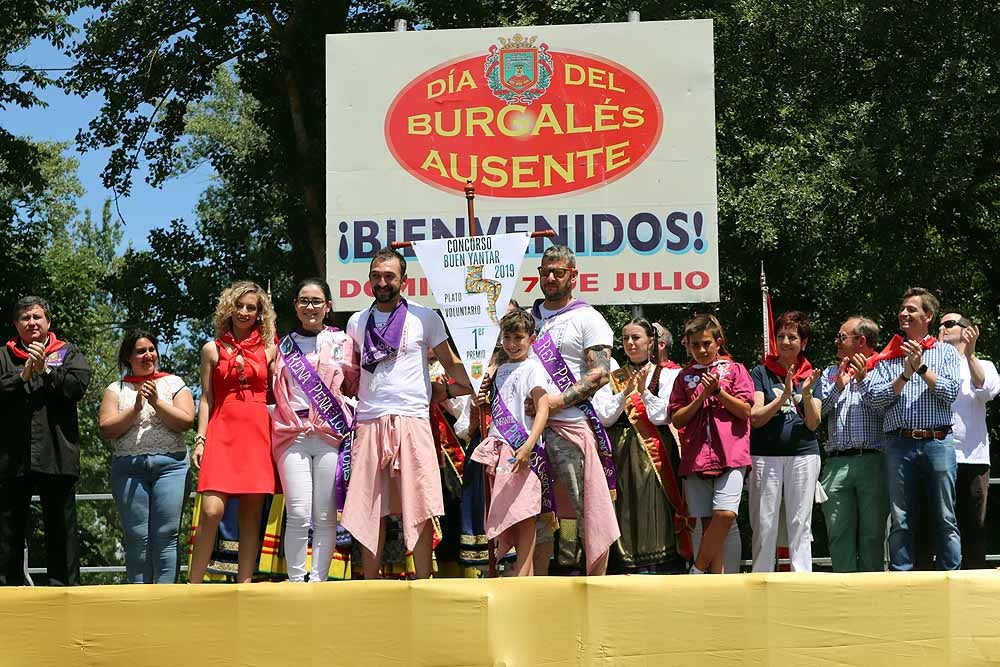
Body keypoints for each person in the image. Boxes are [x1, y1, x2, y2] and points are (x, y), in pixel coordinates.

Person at [342, 248, 472, 579]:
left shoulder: (424, 317)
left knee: (420, 505)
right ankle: (370, 584)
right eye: (376, 276)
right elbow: (349, 377)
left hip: (413, 418)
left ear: (404, 280)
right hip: (370, 420)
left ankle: (424, 581)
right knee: (368, 508)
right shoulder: (357, 321)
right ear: (369, 279)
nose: (382, 282)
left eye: (389, 276)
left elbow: (452, 366)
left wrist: (472, 379)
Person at [530, 244, 620, 576]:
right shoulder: (529, 319)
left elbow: (599, 375)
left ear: (573, 276)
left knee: (587, 509)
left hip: (569, 426)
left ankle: (595, 584)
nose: (551, 277)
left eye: (558, 272)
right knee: (535, 512)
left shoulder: (588, 318)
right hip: (527, 431)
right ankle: (533, 586)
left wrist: (555, 402)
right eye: (545, 271)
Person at [865, 287, 961, 570]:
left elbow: (951, 392)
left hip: (938, 441)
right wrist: (905, 374)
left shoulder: (946, 353)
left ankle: (951, 577)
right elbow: (875, 399)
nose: (903, 313)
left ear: (928, 316)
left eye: (911, 309)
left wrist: (921, 369)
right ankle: (901, 579)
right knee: (901, 518)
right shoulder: (888, 355)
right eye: (902, 309)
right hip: (899, 444)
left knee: (945, 516)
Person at [188, 281, 278, 583]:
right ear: (228, 308)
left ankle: (245, 586)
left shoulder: (270, 349)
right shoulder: (211, 349)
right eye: (239, 306)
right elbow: (205, 397)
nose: (243, 312)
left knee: (251, 517)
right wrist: (200, 438)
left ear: (259, 314)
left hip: (257, 431)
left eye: (251, 308)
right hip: (221, 429)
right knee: (211, 510)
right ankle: (194, 585)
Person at [270, 278, 358, 582]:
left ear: (328, 306)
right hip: (291, 433)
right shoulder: (280, 347)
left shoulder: (342, 341)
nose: (310, 307)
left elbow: (355, 383)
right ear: (295, 306)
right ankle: (296, 581)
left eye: (316, 301)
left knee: (324, 514)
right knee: (296, 510)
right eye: (304, 301)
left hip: (329, 434)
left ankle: (318, 581)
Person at [0, 296, 91, 586]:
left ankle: (64, 591)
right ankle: (8, 590)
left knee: (61, 528)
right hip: (11, 457)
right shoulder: (4, 355)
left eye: (37, 317)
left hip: (56, 452)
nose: (31, 323)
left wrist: (45, 371)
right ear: (16, 325)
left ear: (48, 322)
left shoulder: (67, 352)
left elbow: (77, 387)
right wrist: (23, 374)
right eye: (25, 318)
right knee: (7, 529)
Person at [98, 329, 194, 583]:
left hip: (171, 468)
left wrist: (157, 403)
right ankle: (138, 599)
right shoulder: (115, 389)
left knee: (166, 534)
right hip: (129, 469)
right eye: (141, 351)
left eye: (151, 350)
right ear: (128, 357)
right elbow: (107, 428)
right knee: (137, 537)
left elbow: (185, 422)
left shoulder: (173, 383)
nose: (148, 355)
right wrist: (136, 407)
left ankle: (165, 599)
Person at [593, 318, 685, 571]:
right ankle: (626, 562)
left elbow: (662, 415)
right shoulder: (614, 377)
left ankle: (660, 562)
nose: (631, 343)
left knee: (653, 506)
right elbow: (603, 415)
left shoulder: (666, 374)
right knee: (624, 504)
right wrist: (625, 393)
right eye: (626, 339)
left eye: (637, 338)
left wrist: (642, 393)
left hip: (653, 450)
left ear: (651, 341)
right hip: (620, 450)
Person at [471, 308, 554, 576]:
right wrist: (483, 400)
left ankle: (523, 573)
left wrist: (529, 445)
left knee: (525, 513)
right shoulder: (500, 370)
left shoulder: (534, 368)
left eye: (519, 337)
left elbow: (542, 408)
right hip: (499, 449)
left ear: (531, 339)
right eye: (507, 337)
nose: (512, 344)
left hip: (522, 449)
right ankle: (517, 569)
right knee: (509, 512)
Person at [669, 314, 753, 574]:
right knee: (707, 525)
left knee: (726, 516)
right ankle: (715, 582)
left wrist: (718, 392)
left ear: (718, 342)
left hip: (731, 454)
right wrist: (701, 397)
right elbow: (677, 418)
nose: (701, 350)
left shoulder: (736, 370)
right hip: (696, 456)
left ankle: (696, 569)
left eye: (706, 343)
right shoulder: (683, 377)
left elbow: (746, 411)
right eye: (695, 345)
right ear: (688, 346)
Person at [748, 311, 823, 572]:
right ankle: (761, 577)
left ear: (803, 342)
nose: (786, 341)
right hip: (764, 455)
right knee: (764, 522)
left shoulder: (811, 374)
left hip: (803, 454)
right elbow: (755, 417)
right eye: (781, 336)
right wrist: (783, 397)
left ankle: (801, 580)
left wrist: (805, 392)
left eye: (793, 337)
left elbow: (814, 423)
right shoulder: (761, 372)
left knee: (800, 522)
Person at [817, 316, 888, 572]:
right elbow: (816, 415)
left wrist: (863, 380)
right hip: (836, 462)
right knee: (838, 533)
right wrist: (837, 386)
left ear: (861, 341)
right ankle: (844, 594)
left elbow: (886, 411)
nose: (836, 341)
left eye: (841, 337)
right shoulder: (828, 373)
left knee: (872, 534)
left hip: (873, 460)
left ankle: (872, 596)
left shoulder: (884, 369)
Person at [937, 312, 998, 569]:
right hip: (937, 456)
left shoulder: (985, 364)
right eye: (939, 324)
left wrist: (971, 354)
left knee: (973, 527)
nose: (942, 327)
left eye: (949, 323)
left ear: (967, 330)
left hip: (972, 458)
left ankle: (974, 591)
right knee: (938, 526)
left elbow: (985, 389)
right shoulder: (932, 364)